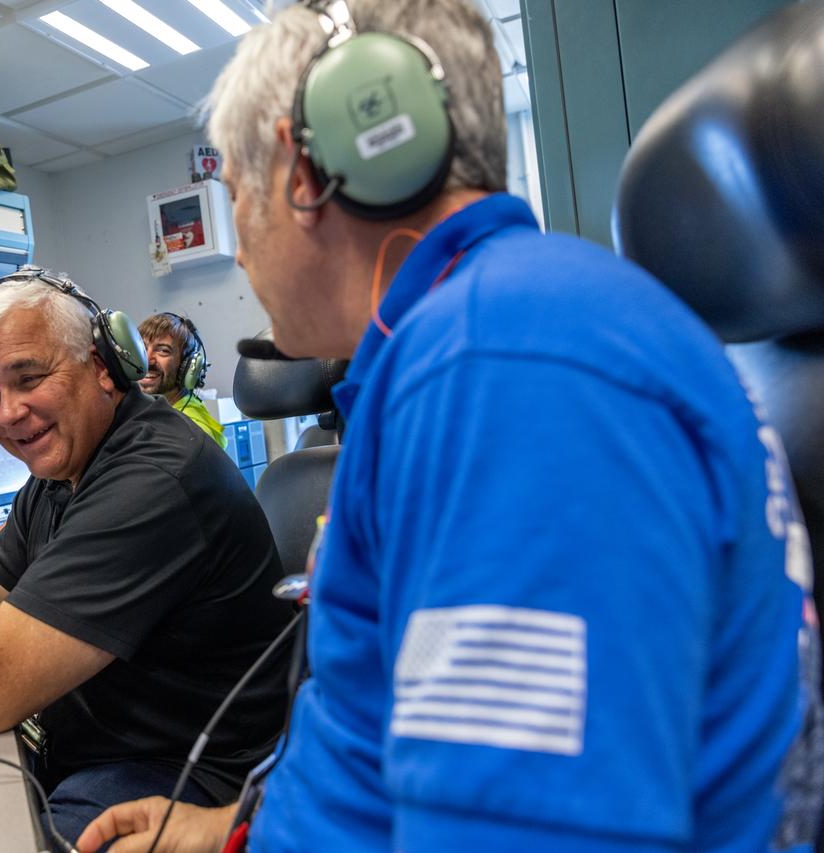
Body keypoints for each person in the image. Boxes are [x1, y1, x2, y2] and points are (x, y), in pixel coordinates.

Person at [77, 1, 823, 851]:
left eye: (237, 194)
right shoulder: (476, 341)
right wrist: (232, 831)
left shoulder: (507, 366)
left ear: (306, 168)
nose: (239, 248)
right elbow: (396, 723)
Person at [0, 269, 292, 849]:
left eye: (29, 378)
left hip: (190, 773)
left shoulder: (151, 478)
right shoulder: (62, 472)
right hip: (105, 747)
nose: (8, 414)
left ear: (104, 366)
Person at [137, 312, 227, 448]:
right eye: (142, 348)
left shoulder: (189, 430)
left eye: (163, 350)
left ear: (187, 366)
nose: (147, 360)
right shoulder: (161, 413)